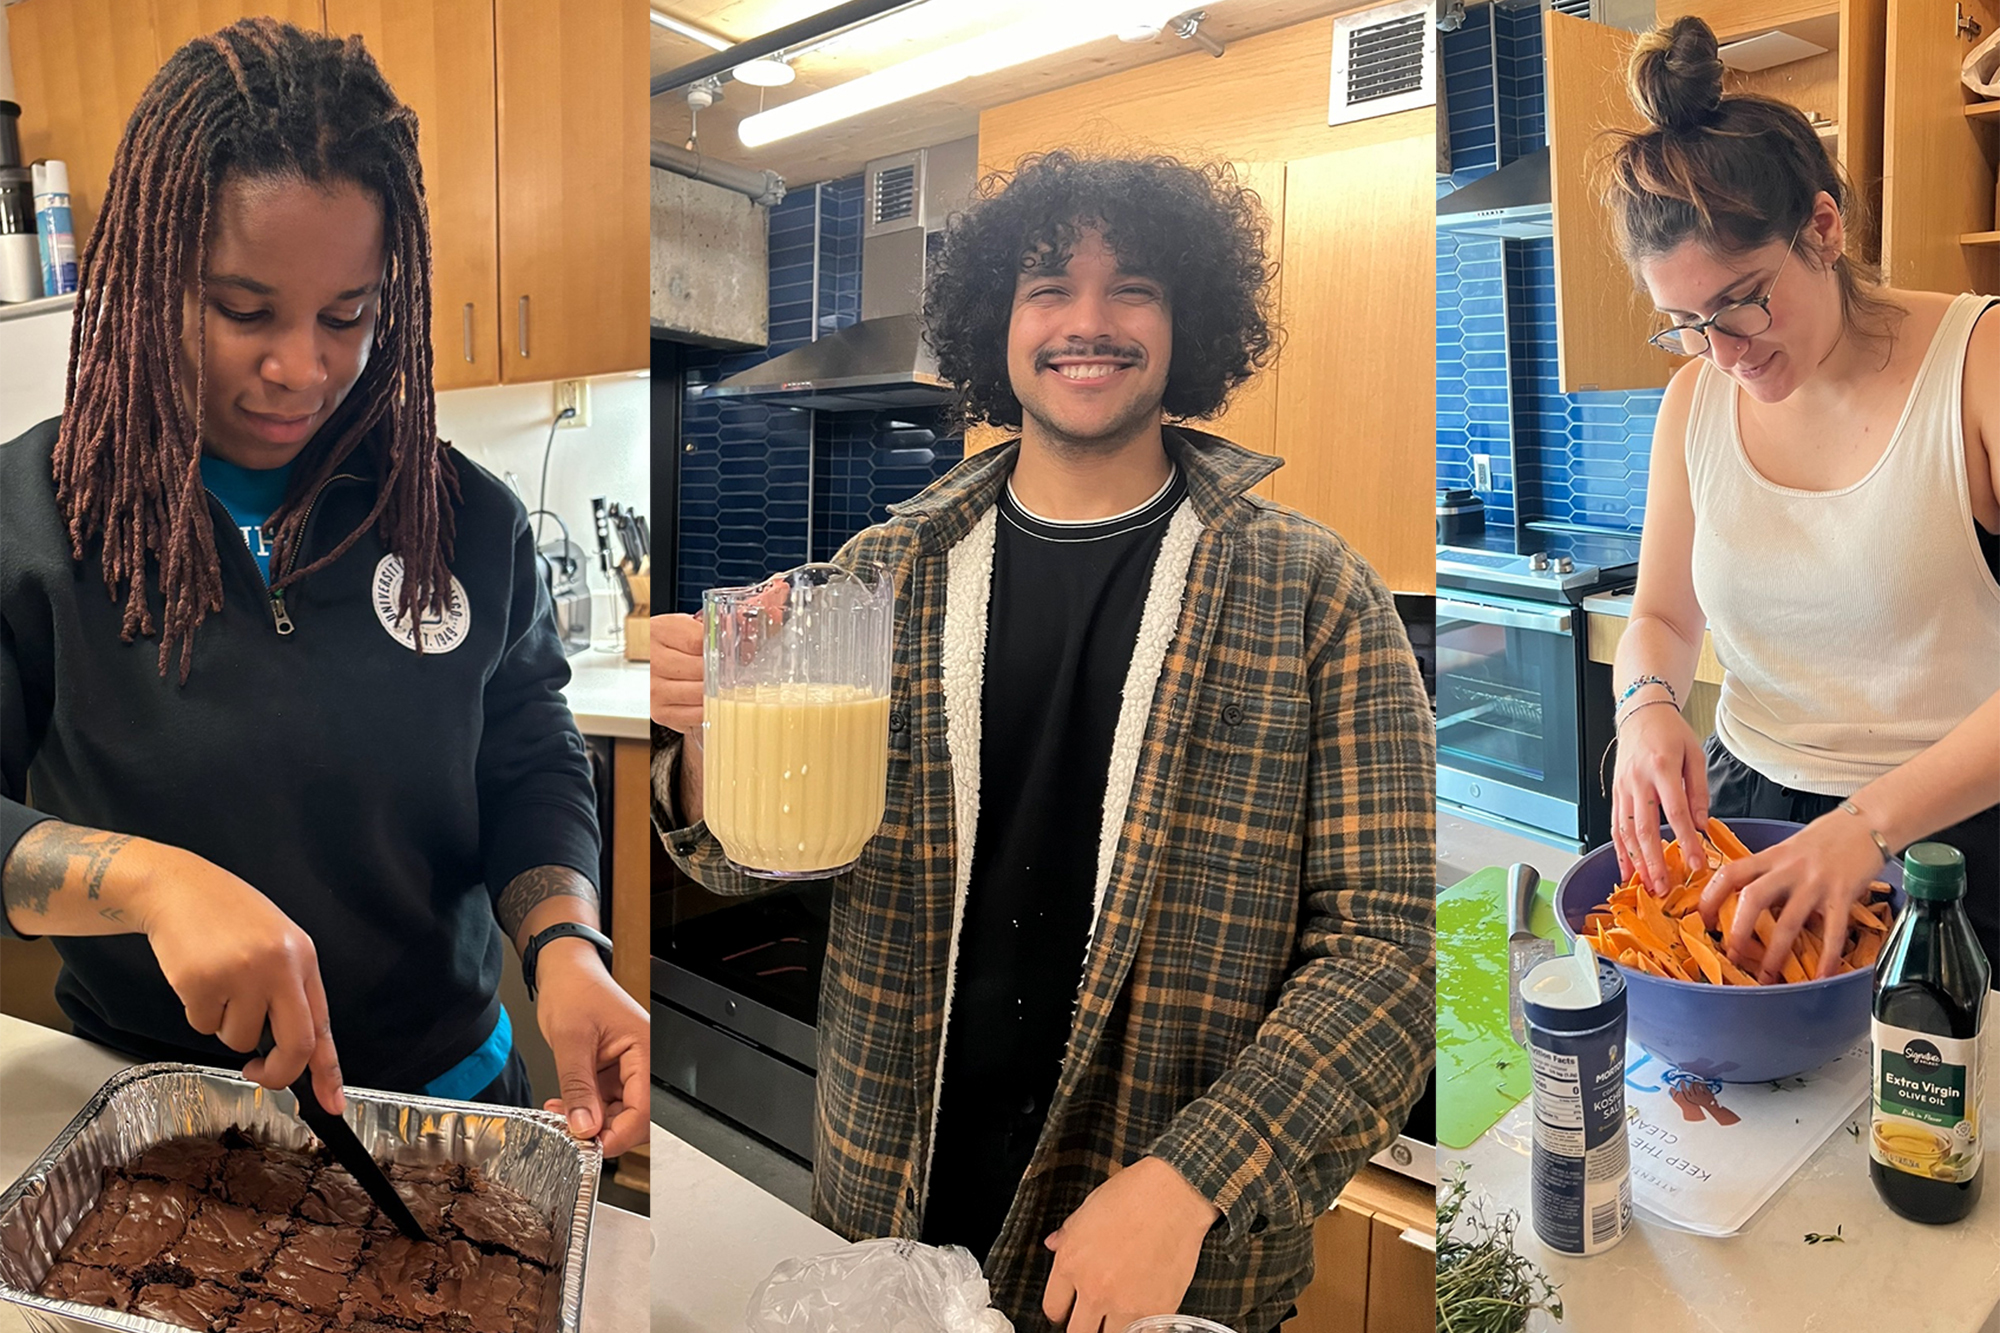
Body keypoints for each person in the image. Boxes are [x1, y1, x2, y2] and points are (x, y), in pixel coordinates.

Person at [653, 152, 1434, 1333]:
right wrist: (718, 744)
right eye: (1044, 286)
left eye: (1134, 288)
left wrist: (1196, 1178)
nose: (1086, 322)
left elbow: (1397, 952)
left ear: (1188, 324)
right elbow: (745, 859)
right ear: (993, 323)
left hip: (1163, 1254)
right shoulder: (884, 577)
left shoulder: (1313, 594)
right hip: (889, 1227)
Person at [0, 19, 648, 1156]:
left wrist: (565, 946)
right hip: (162, 1129)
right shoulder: (34, 523)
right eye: (244, 310)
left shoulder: (467, 520)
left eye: (346, 316)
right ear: (151, 280)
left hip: (452, 1105)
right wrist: (145, 880)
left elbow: (527, 755)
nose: (300, 368)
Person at [1603, 17, 2000, 978]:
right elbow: (1659, 614)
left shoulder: (1979, 364)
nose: (1725, 351)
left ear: (1824, 228)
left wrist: (1867, 826)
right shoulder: (1693, 398)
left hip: (1956, 839)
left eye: (1744, 299)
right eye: (1688, 323)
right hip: (1753, 817)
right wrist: (1645, 708)